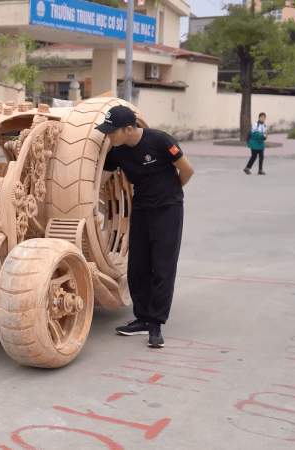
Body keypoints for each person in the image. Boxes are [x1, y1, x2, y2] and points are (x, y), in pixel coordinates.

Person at [96, 105, 195, 348]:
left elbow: (187, 170)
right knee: (138, 264)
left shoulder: (160, 140)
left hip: (168, 209)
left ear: (128, 129)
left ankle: (155, 324)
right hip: (140, 209)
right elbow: (102, 180)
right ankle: (141, 318)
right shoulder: (116, 151)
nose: (108, 136)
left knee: (162, 266)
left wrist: (170, 194)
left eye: (112, 132)